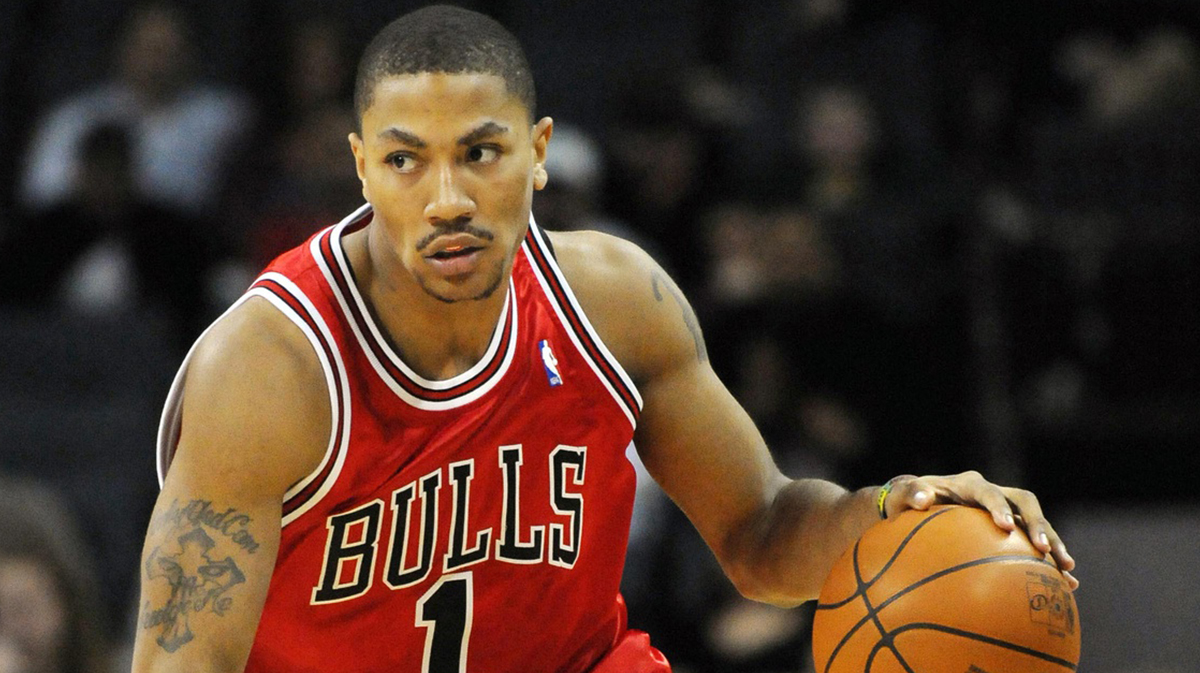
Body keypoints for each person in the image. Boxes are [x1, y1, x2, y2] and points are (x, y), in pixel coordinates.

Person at [130, 6, 1077, 673]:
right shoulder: (269, 367)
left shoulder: (615, 305)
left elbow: (761, 533)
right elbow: (184, 658)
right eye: (406, 160)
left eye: (482, 153)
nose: (448, 198)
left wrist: (894, 516)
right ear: (361, 165)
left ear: (539, 152)